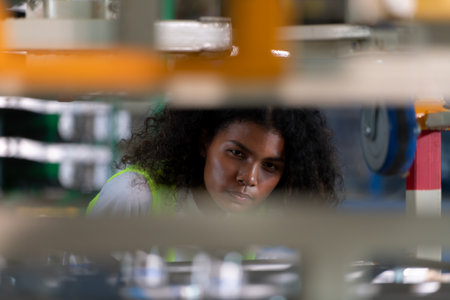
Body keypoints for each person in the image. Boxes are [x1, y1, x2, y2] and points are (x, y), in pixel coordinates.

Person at [87, 106, 342, 217]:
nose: (249, 179)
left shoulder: (261, 216)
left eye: (270, 166)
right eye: (237, 154)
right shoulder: (134, 196)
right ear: (204, 143)